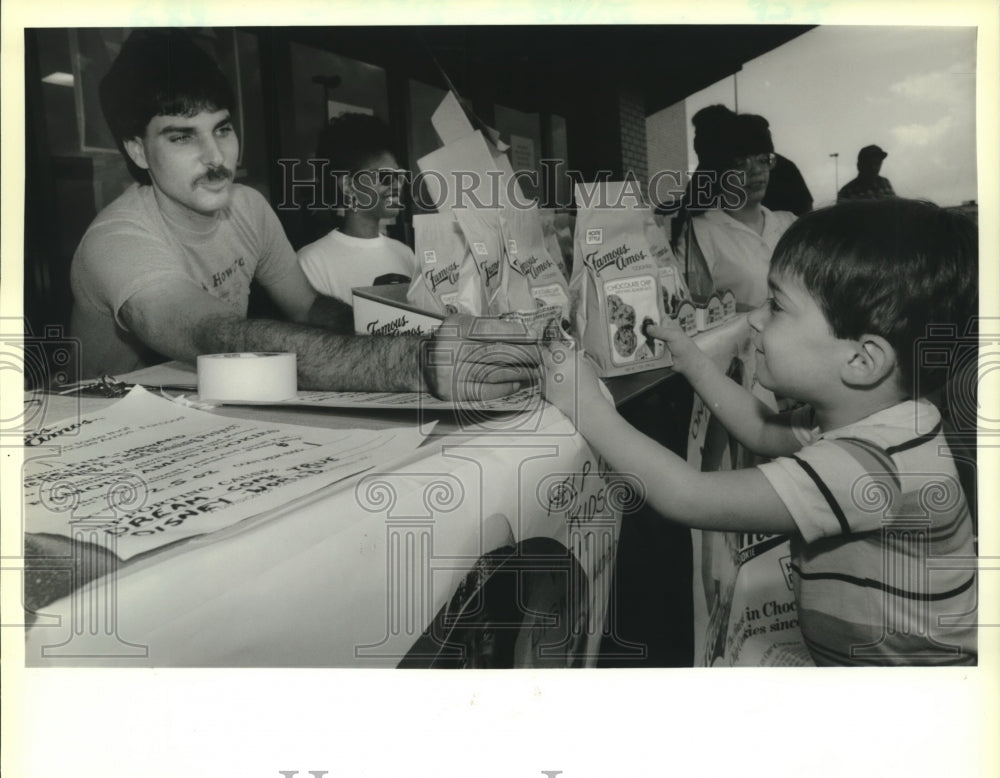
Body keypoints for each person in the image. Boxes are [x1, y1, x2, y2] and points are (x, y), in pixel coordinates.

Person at [543, 198, 978, 666]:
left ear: (861, 360)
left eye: (777, 306)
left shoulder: (869, 467)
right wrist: (693, 361)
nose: (755, 318)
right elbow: (761, 431)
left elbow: (689, 497)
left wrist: (582, 403)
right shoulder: (884, 422)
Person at [69, 29, 533, 400]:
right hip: (102, 429)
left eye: (223, 129)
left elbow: (309, 306)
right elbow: (215, 337)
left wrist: (415, 333)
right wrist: (418, 361)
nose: (216, 157)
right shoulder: (116, 239)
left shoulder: (247, 207)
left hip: (198, 414)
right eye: (182, 136)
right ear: (138, 150)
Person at [675, 113, 797, 308]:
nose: (756, 171)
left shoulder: (791, 224)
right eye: (742, 163)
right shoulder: (700, 232)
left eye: (763, 159)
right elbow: (691, 303)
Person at [297, 114, 416, 304]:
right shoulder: (311, 263)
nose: (397, 185)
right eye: (385, 176)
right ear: (349, 186)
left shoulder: (406, 255)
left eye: (399, 176)